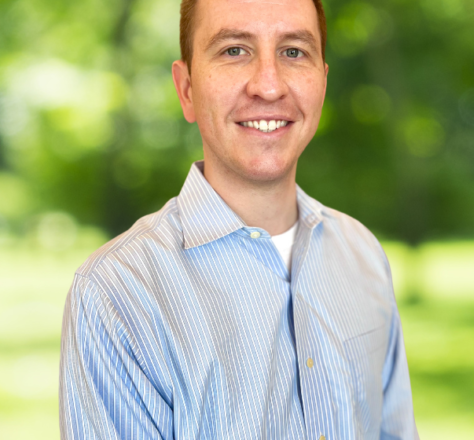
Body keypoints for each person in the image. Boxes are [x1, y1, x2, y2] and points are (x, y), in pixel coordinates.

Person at [59, 0, 420, 438]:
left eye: (293, 51)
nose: (269, 86)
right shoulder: (116, 295)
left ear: (322, 83)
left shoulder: (362, 254)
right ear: (187, 89)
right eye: (234, 50)